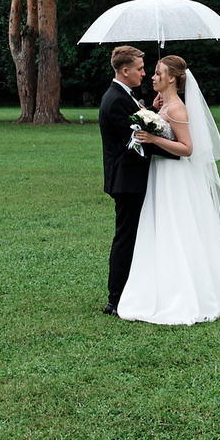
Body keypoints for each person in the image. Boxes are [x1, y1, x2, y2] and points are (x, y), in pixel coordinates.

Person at [114, 54, 220, 325]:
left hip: (174, 176)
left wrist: (152, 138)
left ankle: (184, 292)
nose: (152, 76)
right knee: (162, 228)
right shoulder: (165, 106)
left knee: (177, 228)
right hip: (160, 174)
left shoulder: (177, 109)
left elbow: (187, 149)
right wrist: (153, 111)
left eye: (158, 73)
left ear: (172, 78)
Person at [96, 45, 152, 314]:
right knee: (126, 238)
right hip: (127, 180)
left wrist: (152, 110)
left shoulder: (126, 96)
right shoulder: (116, 99)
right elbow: (134, 140)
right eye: (140, 69)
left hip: (131, 178)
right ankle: (115, 299)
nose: (144, 73)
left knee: (132, 236)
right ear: (125, 70)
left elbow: (138, 123)